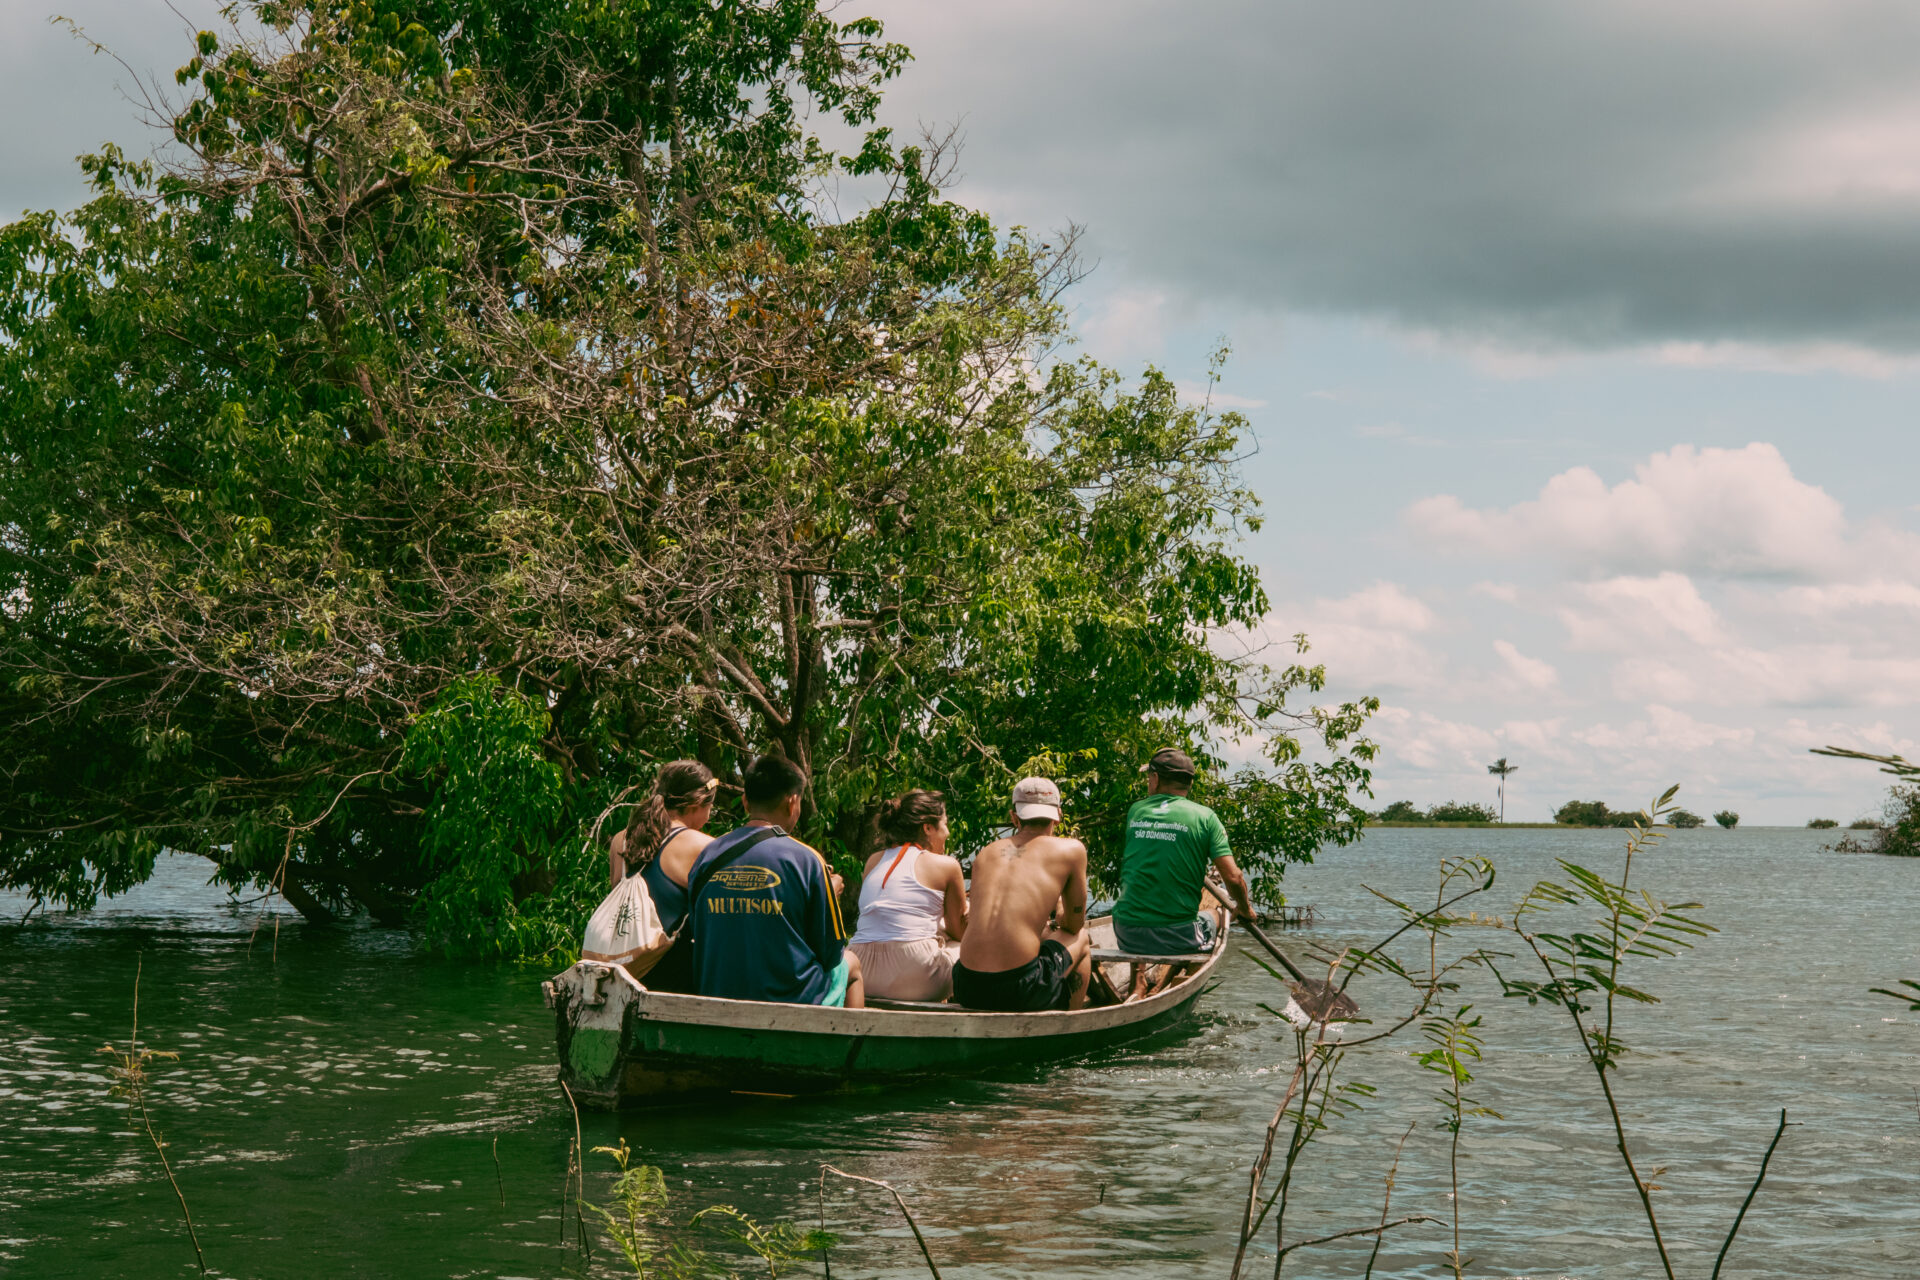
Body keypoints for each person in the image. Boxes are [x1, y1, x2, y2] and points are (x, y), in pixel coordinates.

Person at [685, 754, 864, 1008]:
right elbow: (830, 955)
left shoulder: (708, 855)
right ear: (792, 802)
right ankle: (849, 1046)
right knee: (852, 963)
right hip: (791, 1002)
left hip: (715, 995)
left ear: (745, 802)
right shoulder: (808, 860)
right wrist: (828, 895)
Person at [952, 777, 1092, 1012]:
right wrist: (1059, 910)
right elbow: (1075, 924)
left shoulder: (985, 854)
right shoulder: (1072, 849)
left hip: (966, 985)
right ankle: (1071, 1024)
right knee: (1083, 939)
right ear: (1058, 815)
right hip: (1019, 989)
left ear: (1014, 817)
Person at [1112, 747, 1256, 958]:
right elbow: (1234, 878)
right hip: (1178, 936)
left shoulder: (1137, 811)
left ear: (1155, 778)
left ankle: (1139, 980)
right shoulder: (1206, 817)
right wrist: (1244, 908)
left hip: (1125, 933)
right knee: (1214, 914)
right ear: (1189, 783)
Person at [607, 760, 718, 993]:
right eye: (711, 805)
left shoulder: (622, 839)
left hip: (626, 969)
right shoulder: (703, 846)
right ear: (698, 801)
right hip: (672, 975)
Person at [848, 790, 968, 1002]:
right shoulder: (947, 865)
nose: (947, 833)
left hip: (861, 968)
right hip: (915, 975)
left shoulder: (874, 861)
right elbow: (959, 931)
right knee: (963, 946)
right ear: (928, 828)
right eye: (945, 824)